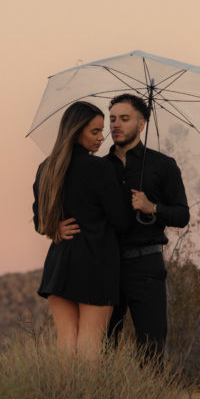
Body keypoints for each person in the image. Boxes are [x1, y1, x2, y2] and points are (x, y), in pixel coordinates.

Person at [60, 93, 189, 359]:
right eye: (113, 119)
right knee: (102, 345)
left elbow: (182, 215)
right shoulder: (97, 166)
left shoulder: (163, 166)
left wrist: (153, 207)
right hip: (105, 265)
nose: (115, 125)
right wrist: (55, 227)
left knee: (152, 346)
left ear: (141, 124)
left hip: (146, 265)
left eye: (124, 119)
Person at [32, 100, 131, 358]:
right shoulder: (99, 168)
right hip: (95, 263)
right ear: (76, 132)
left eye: (101, 131)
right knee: (90, 344)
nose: (101, 138)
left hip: (59, 262)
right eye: (95, 132)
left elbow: (39, 221)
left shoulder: (47, 168)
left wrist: (54, 227)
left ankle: (63, 398)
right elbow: (121, 221)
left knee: (66, 344)